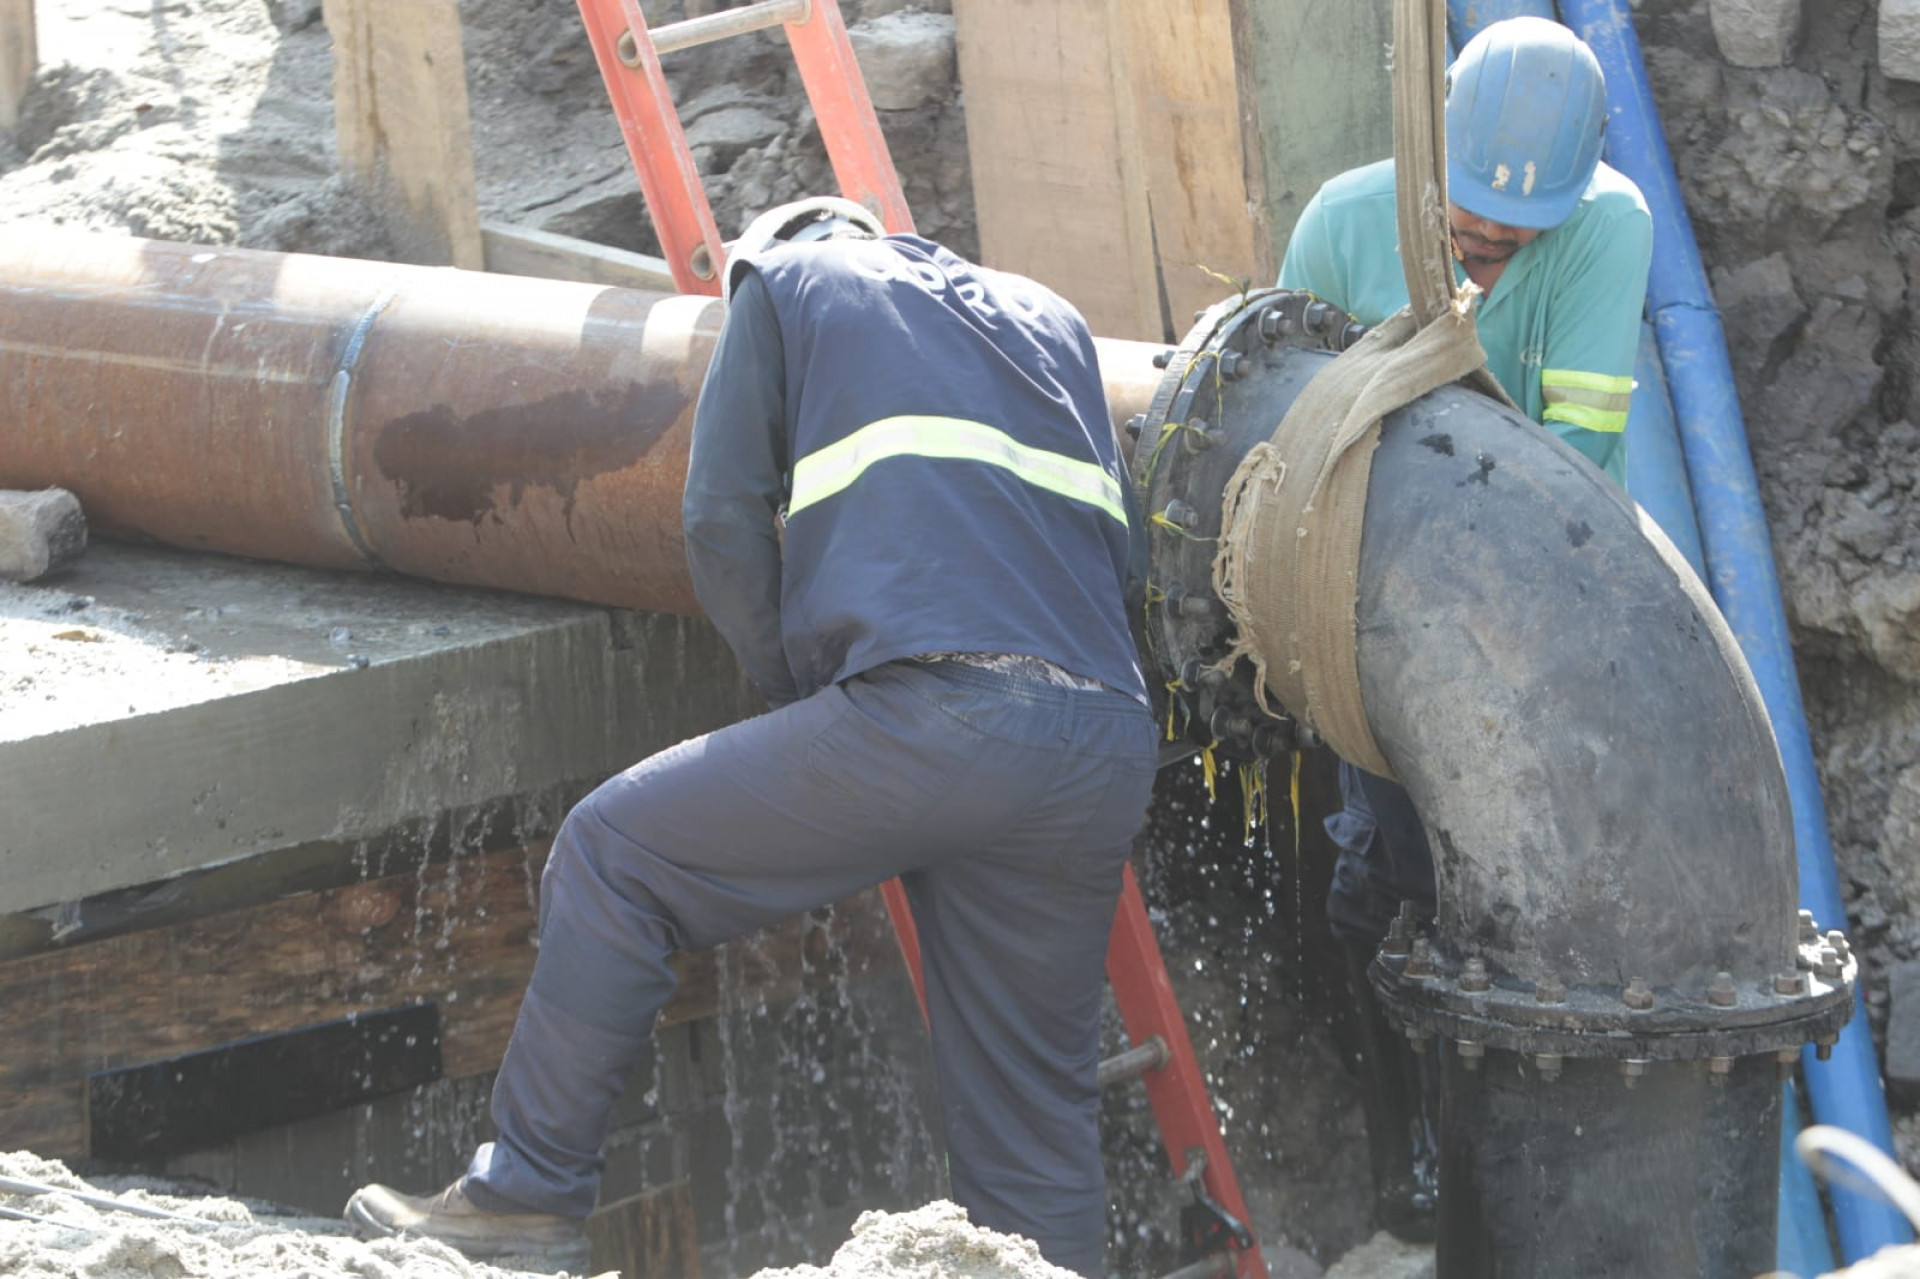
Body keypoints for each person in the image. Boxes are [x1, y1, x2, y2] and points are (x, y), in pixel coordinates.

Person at [343, 196, 1160, 1277]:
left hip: (936, 718)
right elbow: (1129, 565)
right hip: (1100, 744)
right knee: (1029, 1110)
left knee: (615, 852)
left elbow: (719, 517)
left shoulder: (782, 286)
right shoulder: (1050, 320)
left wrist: (798, 697)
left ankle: (525, 1197)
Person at [1276, 16, 1654, 1242]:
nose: (1486, 246)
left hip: (1538, 611)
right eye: (1467, 220)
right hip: (1366, 621)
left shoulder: (1610, 230)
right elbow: (1285, 437)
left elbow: (1578, 454)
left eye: (1513, 233)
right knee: (1383, 880)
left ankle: (1520, 1183)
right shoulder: (1342, 222)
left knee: (1514, 895)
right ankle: (1417, 1167)